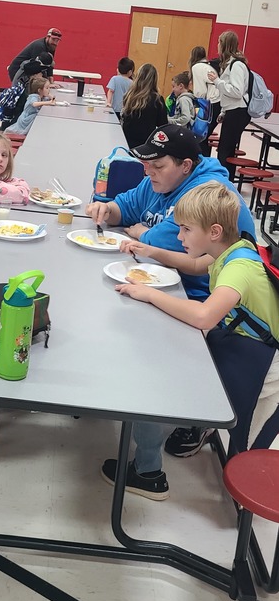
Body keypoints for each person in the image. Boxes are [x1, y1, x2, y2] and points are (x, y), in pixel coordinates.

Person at [115, 182, 279, 462]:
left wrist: (149, 294)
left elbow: (205, 316)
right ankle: (201, 427)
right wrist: (150, 250)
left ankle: (242, 499)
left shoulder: (239, 268)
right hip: (242, 343)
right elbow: (193, 265)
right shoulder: (230, 248)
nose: (179, 236)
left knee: (248, 446)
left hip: (269, 367)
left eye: (186, 229)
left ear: (214, 232)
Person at [86, 125, 255, 302]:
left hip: (198, 294)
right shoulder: (159, 180)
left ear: (186, 165)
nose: (149, 171)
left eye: (158, 165)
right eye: (147, 164)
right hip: (169, 280)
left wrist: (143, 233)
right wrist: (107, 210)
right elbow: (125, 208)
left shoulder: (206, 192)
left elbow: (168, 243)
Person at [207, 31, 249, 181]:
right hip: (232, 110)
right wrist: (224, 111)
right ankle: (225, 180)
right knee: (226, 149)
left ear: (224, 45)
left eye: (219, 42)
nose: (217, 46)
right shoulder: (230, 63)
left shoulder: (237, 65)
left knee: (225, 151)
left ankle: (224, 183)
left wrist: (217, 81)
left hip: (238, 112)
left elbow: (237, 92)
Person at [120, 63, 167, 149]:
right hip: (145, 143)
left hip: (126, 140)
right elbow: (163, 124)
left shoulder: (129, 95)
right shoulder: (157, 99)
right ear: (155, 80)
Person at [188, 45, 221, 146]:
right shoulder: (208, 65)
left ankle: (200, 158)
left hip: (208, 102)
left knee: (200, 133)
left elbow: (200, 91)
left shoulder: (196, 67)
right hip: (218, 101)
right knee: (206, 133)